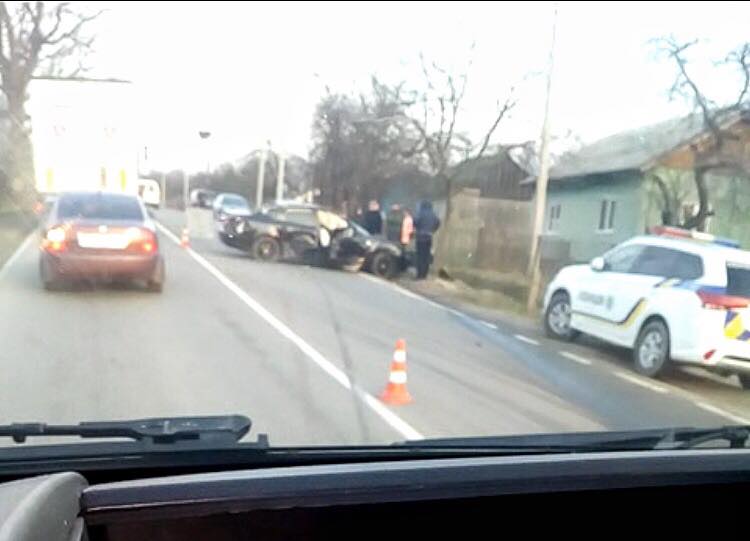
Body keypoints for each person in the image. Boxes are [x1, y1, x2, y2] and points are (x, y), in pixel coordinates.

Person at [414, 200, 440, 279]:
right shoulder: (433, 214)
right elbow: (438, 222)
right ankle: (425, 275)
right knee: (426, 256)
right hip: (429, 237)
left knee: (420, 256)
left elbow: (415, 221)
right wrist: (433, 230)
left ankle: (419, 275)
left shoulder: (420, 213)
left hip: (420, 237)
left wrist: (417, 228)